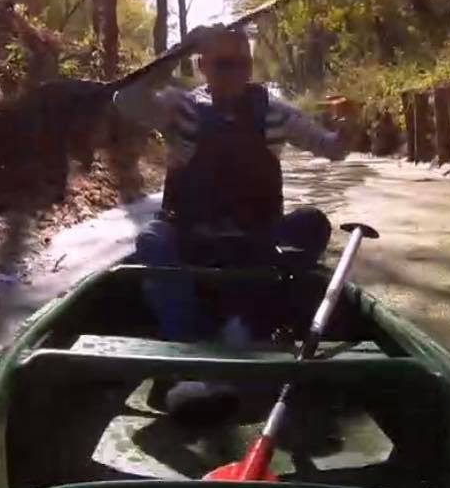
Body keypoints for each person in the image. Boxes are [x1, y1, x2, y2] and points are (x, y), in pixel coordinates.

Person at [113, 24, 349, 348]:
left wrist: (348, 135)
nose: (235, 73)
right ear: (202, 66)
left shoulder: (274, 112)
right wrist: (181, 48)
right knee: (152, 239)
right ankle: (190, 343)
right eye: (224, 64)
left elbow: (331, 148)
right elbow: (125, 99)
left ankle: (248, 323)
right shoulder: (180, 108)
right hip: (191, 239)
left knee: (313, 224)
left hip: (255, 241)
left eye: (243, 64)